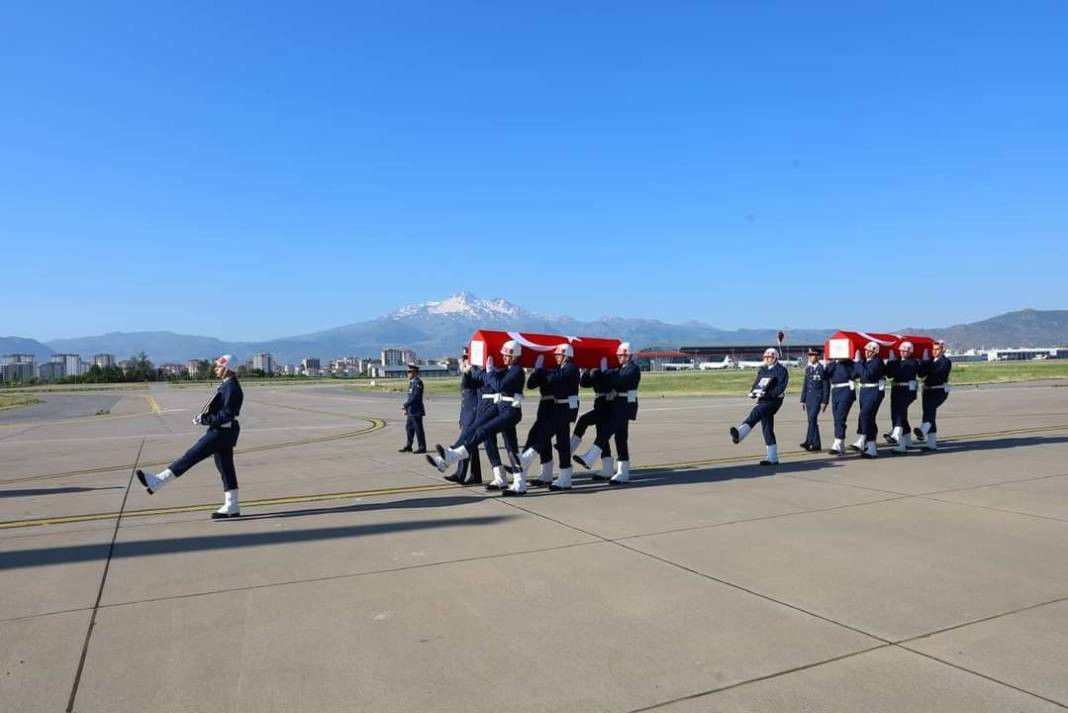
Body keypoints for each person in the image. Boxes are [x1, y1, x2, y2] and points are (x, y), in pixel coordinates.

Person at [136, 354, 244, 519]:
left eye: (218, 366)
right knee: (226, 468)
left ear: (228, 368)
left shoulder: (232, 387)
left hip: (221, 432)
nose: (215, 369)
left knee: (191, 456)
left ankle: (157, 481)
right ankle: (232, 505)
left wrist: (204, 419)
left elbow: (228, 413)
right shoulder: (227, 385)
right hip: (222, 432)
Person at [427, 340, 525, 494]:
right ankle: (515, 481)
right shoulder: (509, 369)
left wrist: (488, 371)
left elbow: (498, 385)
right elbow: (470, 385)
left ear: (516, 356)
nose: (505, 357)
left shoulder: (516, 370)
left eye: (508, 355)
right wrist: (470, 372)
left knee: (482, 432)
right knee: (508, 445)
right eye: (504, 355)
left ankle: (452, 455)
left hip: (509, 411)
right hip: (501, 408)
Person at [515, 344, 581, 490]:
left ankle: (562, 477)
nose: (556, 357)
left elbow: (554, 379)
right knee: (552, 440)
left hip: (563, 410)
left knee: (552, 439)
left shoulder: (571, 369)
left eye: (559, 355)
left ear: (567, 356)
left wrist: (540, 371)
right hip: (551, 408)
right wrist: (538, 372)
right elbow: (532, 384)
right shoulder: (553, 370)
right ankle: (549, 474)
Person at [730, 348, 789, 465]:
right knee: (767, 426)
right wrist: (753, 392)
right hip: (763, 399)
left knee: (756, 412)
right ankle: (772, 457)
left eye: (770, 357)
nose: (767, 359)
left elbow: (780, 388)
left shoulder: (782, 370)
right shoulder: (762, 369)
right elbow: (757, 383)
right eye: (765, 357)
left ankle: (740, 434)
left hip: (774, 400)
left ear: (775, 358)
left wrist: (767, 394)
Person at [602, 342, 641, 485]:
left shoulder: (633, 369)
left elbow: (620, 381)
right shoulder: (622, 368)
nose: (619, 357)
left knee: (619, 436)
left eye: (622, 355)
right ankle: (621, 471)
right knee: (619, 438)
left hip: (625, 407)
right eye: (618, 355)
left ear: (629, 355)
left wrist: (606, 372)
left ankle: (623, 472)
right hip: (618, 405)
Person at [571, 360, 616, 480]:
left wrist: (603, 372)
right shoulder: (597, 369)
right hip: (600, 404)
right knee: (601, 433)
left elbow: (606, 386)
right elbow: (584, 384)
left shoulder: (613, 369)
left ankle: (572, 448)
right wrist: (588, 370)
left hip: (610, 404)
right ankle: (607, 469)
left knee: (585, 421)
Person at [446, 348, 482, 484]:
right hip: (467, 415)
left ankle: (460, 474)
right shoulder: (469, 373)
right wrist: (462, 418)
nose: (464, 361)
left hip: (473, 415)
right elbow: (465, 400)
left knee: (465, 445)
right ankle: (475, 476)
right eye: (463, 358)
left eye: (466, 358)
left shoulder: (474, 374)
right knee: (472, 447)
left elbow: (476, 398)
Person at [914, 340, 953, 451]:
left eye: (937, 349)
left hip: (938, 391)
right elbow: (921, 374)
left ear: (942, 350)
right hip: (927, 391)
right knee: (929, 414)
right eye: (933, 349)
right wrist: (923, 363)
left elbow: (936, 374)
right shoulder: (930, 361)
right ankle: (931, 444)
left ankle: (923, 430)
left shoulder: (945, 362)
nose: (935, 351)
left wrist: (925, 363)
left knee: (930, 411)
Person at [851, 341, 886, 459]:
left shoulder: (877, 362)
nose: (866, 352)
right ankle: (870, 447)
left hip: (874, 392)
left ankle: (863, 439)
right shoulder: (865, 362)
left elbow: (867, 374)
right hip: (864, 392)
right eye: (866, 350)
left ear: (875, 352)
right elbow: (854, 374)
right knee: (867, 418)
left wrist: (858, 362)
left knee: (865, 415)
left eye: (869, 350)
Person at [884, 341, 919, 453]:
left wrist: (892, 362)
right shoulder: (897, 361)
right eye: (901, 350)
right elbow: (889, 375)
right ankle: (906, 442)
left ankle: (896, 435)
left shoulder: (913, 362)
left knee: (898, 413)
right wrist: (890, 362)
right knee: (901, 415)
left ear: (910, 351)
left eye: (905, 350)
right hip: (896, 390)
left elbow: (899, 373)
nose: (903, 352)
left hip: (907, 391)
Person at [799, 348, 829, 452]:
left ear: (818, 357)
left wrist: (825, 401)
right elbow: (805, 385)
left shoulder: (822, 369)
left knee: (812, 419)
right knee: (812, 421)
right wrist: (802, 400)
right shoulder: (808, 369)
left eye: (813, 355)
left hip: (817, 399)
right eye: (810, 355)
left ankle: (809, 442)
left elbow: (826, 386)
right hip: (809, 399)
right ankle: (816, 444)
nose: (811, 357)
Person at [825, 357, 856, 455]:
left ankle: (837, 442)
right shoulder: (833, 364)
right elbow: (824, 375)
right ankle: (841, 444)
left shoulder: (849, 364)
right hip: (835, 392)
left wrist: (843, 362)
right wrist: (832, 363)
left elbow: (852, 375)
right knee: (836, 418)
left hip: (846, 391)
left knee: (840, 417)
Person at [398, 364, 426, 453]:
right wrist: (407, 409)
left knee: (418, 429)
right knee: (409, 428)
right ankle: (409, 445)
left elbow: (415, 397)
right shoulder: (412, 383)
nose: (408, 374)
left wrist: (406, 405)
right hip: (411, 411)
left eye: (410, 372)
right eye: (408, 372)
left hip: (416, 410)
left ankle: (422, 447)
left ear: (415, 373)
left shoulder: (418, 383)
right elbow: (410, 397)